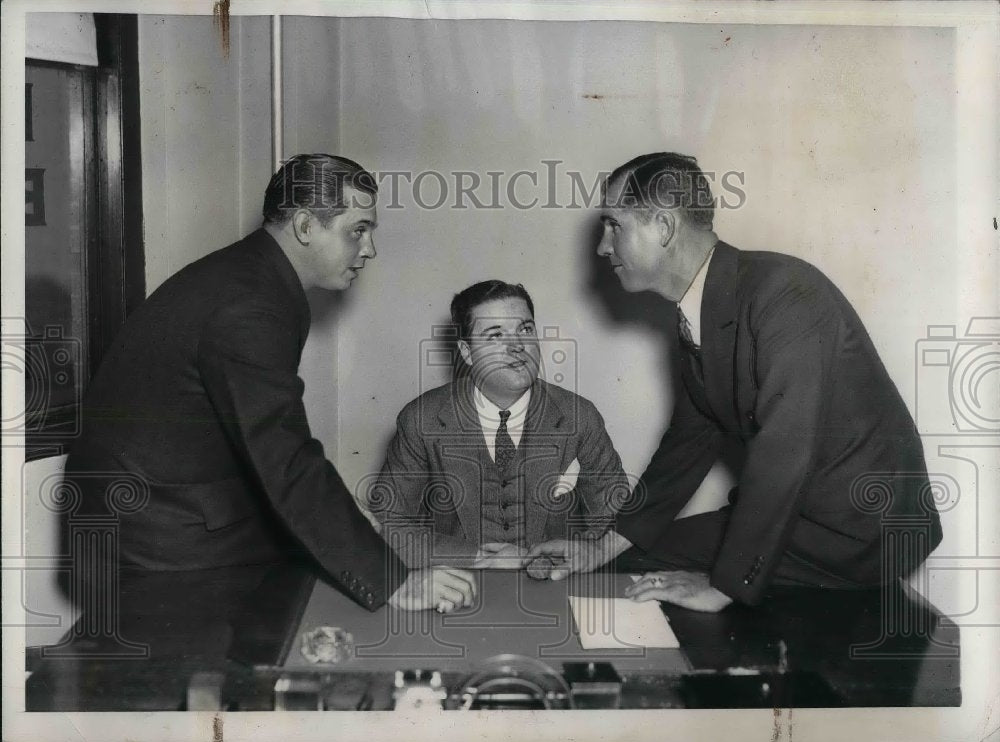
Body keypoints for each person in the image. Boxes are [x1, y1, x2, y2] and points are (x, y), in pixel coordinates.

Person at [527, 152, 941, 612]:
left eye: (614, 225)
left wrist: (722, 586)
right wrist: (602, 546)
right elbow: (690, 439)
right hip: (801, 522)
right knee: (630, 560)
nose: (604, 247)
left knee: (689, 590)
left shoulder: (786, 293)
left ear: (663, 227)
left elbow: (787, 446)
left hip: (860, 535)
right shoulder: (702, 306)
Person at [64, 154, 475, 613]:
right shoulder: (250, 305)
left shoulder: (253, 277)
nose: (370, 248)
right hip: (153, 531)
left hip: (165, 508)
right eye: (357, 229)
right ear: (304, 226)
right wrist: (394, 582)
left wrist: (350, 528)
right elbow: (283, 453)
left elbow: (260, 442)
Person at [369, 280, 630, 571]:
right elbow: (386, 524)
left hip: (555, 584)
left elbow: (619, 522)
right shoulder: (422, 419)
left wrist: (582, 554)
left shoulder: (579, 417)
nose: (517, 346)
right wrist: (481, 557)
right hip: (455, 581)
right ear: (467, 352)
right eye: (495, 336)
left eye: (525, 329)